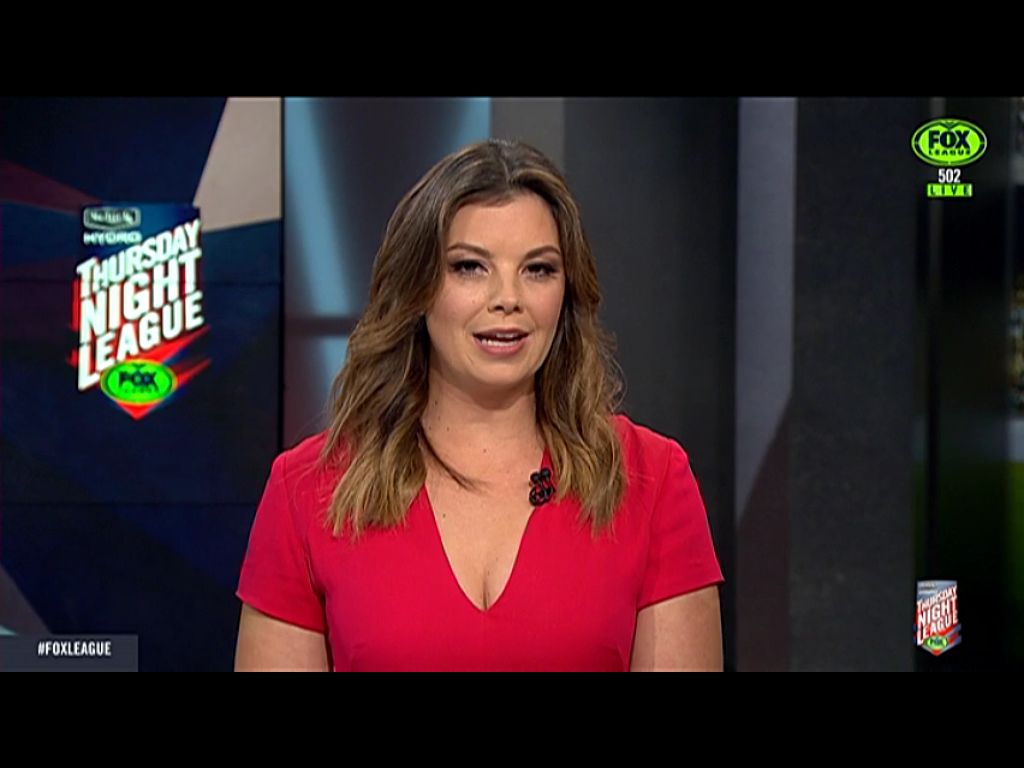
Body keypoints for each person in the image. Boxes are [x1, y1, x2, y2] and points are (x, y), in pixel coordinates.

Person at [234, 138, 724, 671]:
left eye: (538, 269)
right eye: (470, 267)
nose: (508, 298)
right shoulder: (308, 491)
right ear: (417, 288)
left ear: (566, 292)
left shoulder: (650, 480)